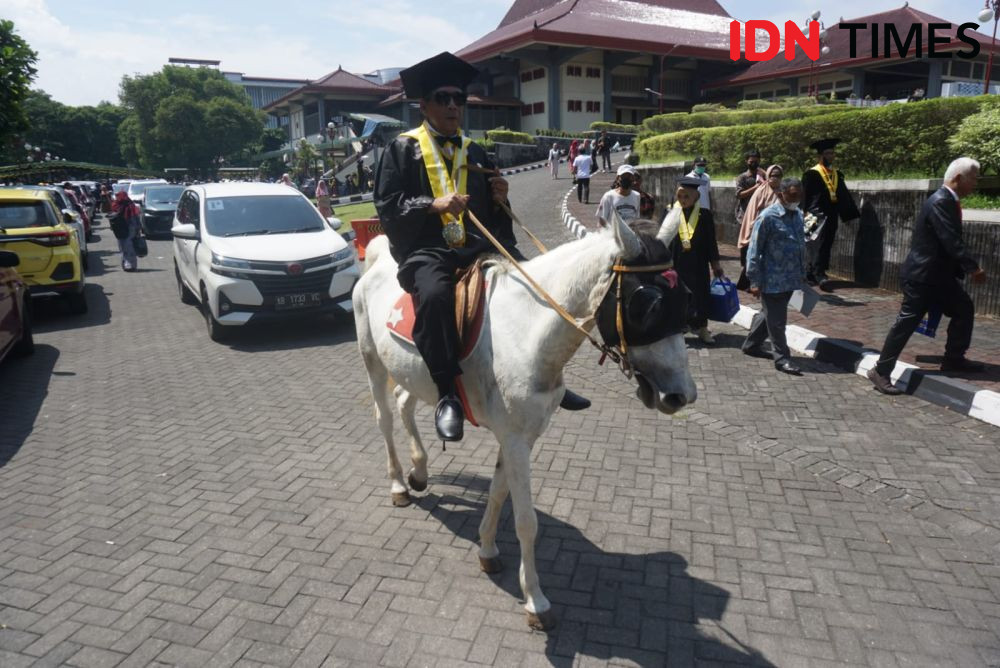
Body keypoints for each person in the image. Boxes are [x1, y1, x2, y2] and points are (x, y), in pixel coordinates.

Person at [374, 52, 589, 442]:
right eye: (443, 98)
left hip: (474, 245)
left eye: (459, 98)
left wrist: (500, 199)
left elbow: (492, 219)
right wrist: (432, 204)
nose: (453, 105)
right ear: (423, 105)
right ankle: (447, 395)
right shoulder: (402, 150)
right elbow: (388, 207)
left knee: (532, 281)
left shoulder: (474, 151)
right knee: (437, 296)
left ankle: (551, 379)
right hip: (427, 250)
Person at [867, 157, 988, 395]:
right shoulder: (940, 202)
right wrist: (973, 268)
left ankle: (953, 358)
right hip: (923, 277)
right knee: (907, 322)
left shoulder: (948, 201)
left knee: (963, 308)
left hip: (939, 277)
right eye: (974, 178)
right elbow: (950, 240)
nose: (976, 183)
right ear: (958, 178)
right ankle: (881, 370)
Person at [742, 178, 807, 376]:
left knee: (770, 315)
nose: (796, 199)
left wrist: (803, 273)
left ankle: (751, 345)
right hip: (772, 279)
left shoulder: (798, 215)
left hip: (791, 277)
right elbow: (754, 250)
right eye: (792, 195)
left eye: (799, 195)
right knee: (778, 322)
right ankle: (782, 358)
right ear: (780, 194)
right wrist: (754, 280)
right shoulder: (768, 217)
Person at [668, 177, 723, 344]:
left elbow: (711, 242)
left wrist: (716, 264)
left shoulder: (704, 214)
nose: (683, 200)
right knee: (677, 297)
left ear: (696, 197)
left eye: (687, 197)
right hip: (676, 261)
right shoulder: (670, 212)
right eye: (680, 196)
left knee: (701, 295)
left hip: (698, 262)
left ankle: (702, 328)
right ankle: (679, 328)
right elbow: (664, 239)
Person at [801, 138, 860, 291]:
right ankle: (817, 274)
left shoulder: (837, 174)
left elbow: (843, 195)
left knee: (826, 244)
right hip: (813, 214)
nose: (831, 156)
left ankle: (815, 272)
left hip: (831, 214)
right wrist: (802, 212)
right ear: (820, 156)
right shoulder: (811, 174)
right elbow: (804, 195)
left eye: (832, 153)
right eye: (827, 153)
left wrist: (848, 213)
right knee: (814, 244)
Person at [737, 164, 783, 286]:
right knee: (755, 258)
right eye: (772, 175)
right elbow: (752, 211)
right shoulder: (761, 190)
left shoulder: (784, 191)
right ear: (768, 176)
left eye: (778, 176)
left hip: (777, 232)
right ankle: (750, 282)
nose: (775, 178)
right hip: (760, 229)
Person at [734, 149, 767, 226]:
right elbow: (739, 194)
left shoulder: (763, 175)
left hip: (761, 213)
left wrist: (764, 173)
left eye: (756, 162)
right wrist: (755, 188)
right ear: (746, 161)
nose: (753, 164)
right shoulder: (742, 177)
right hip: (745, 214)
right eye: (751, 162)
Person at [111, 190, 141, 272]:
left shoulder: (130, 205)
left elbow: (135, 216)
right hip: (121, 229)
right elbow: (112, 216)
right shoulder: (116, 204)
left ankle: (131, 265)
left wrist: (138, 228)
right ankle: (126, 264)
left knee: (129, 246)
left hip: (129, 228)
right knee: (122, 247)